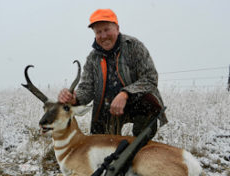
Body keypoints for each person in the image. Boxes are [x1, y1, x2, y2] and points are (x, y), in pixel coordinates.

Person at [58, 9, 167, 139]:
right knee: (102, 143)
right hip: (109, 108)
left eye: (107, 29)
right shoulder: (93, 58)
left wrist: (125, 93)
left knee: (146, 111)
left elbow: (150, 78)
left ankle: (140, 145)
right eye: (98, 32)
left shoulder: (134, 46)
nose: (103, 36)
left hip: (138, 103)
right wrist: (74, 98)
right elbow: (86, 90)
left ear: (117, 28)